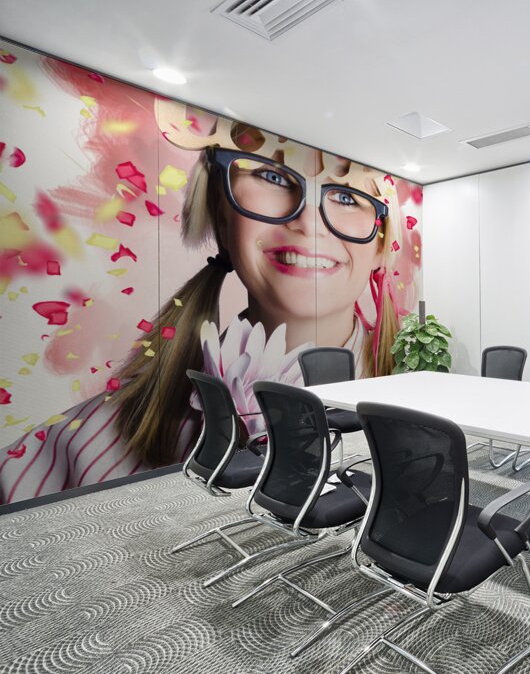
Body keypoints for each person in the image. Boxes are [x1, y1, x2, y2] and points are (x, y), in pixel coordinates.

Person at [0, 99, 417, 503]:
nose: (307, 223)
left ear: (383, 245)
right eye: (271, 176)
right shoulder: (72, 448)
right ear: (219, 210)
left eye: (346, 197)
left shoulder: (406, 396)